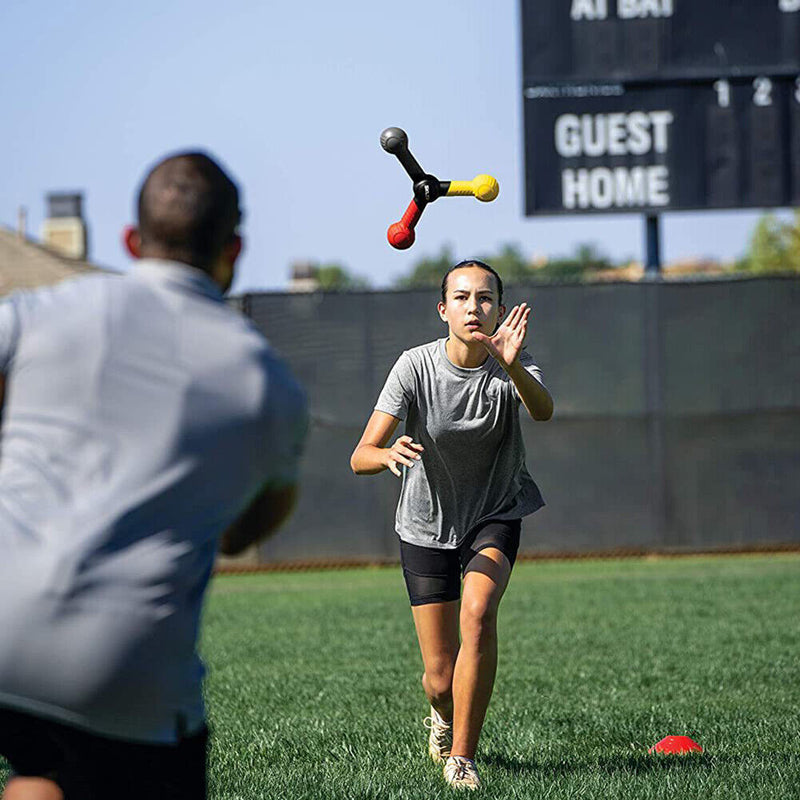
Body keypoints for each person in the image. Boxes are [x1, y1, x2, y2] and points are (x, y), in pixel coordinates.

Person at [0, 152, 308, 800]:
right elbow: (245, 531)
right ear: (235, 249)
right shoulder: (266, 383)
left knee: (42, 772)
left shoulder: (38, 311)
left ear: (130, 240)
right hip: (122, 667)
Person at [350, 259, 553, 791]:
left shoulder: (512, 363)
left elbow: (544, 411)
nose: (473, 307)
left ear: (501, 311)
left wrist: (511, 366)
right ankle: (441, 716)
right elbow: (359, 455)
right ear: (443, 310)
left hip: (494, 512)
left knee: (479, 614)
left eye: (485, 299)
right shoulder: (414, 367)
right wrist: (387, 451)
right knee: (440, 679)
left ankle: (462, 756)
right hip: (425, 525)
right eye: (461, 298)